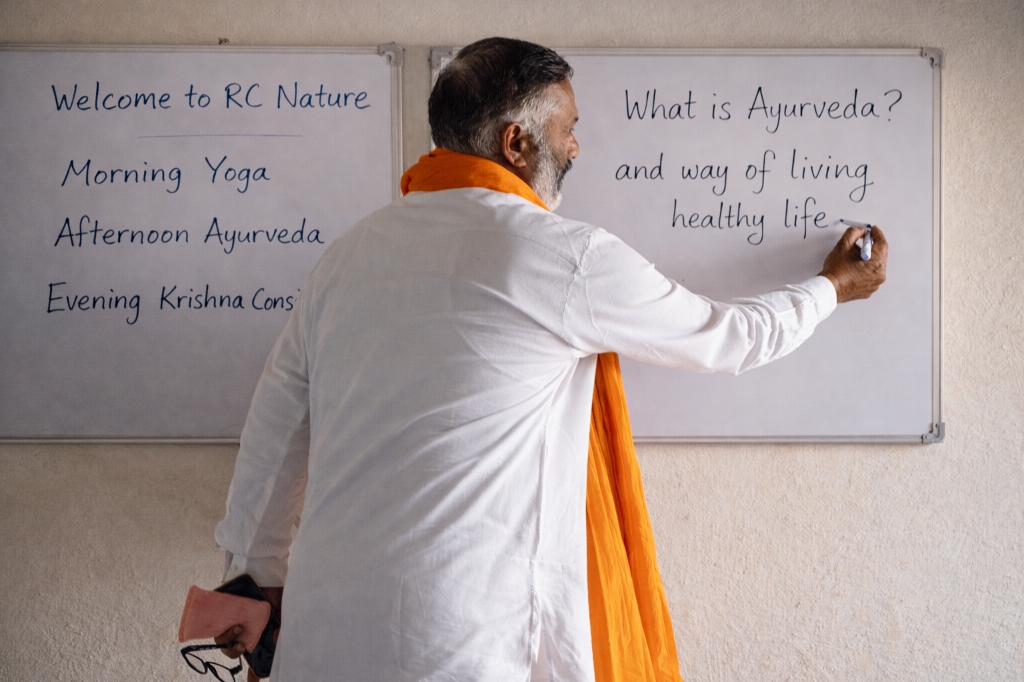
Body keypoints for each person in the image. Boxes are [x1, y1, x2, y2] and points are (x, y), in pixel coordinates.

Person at [212, 37, 887, 682]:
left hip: (325, 636)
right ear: (517, 141)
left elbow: (278, 426)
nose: (575, 145)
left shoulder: (348, 254)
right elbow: (727, 337)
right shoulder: (561, 255)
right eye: (567, 127)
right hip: (466, 641)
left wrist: (253, 572)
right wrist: (831, 289)